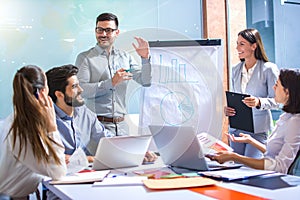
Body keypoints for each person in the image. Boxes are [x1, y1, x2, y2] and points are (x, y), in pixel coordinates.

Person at [46, 64, 157, 163]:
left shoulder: (83, 112)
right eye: (74, 86)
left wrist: (136, 151)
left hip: (84, 173)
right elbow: (52, 158)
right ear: (59, 94)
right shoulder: (45, 119)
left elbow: (107, 139)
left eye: (79, 85)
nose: (81, 90)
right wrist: (90, 159)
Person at [208, 68, 300, 174]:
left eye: (277, 85)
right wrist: (250, 140)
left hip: (274, 180)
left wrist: (235, 157)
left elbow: (280, 167)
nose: (273, 88)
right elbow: (272, 152)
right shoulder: (286, 116)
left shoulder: (295, 122)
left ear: (287, 92)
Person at [75, 12, 151, 136]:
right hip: (95, 126)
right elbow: (82, 91)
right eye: (100, 30)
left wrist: (145, 59)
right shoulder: (85, 58)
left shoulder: (125, 57)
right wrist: (111, 83)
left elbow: (146, 81)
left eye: (108, 30)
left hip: (122, 126)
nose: (103, 34)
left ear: (117, 32)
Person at [0, 65, 66, 199]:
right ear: (42, 92)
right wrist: (52, 128)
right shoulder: (21, 130)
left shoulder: (19, 121)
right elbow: (58, 172)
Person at [224, 28, 279, 158]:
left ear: (254, 46)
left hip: (258, 130)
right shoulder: (235, 70)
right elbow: (236, 97)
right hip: (236, 128)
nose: (237, 47)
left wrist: (259, 102)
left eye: (241, 44)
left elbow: (278, 101)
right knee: (236, 168)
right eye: (237, 43)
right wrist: (228, 110)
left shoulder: (269, 69)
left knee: (251, 168)